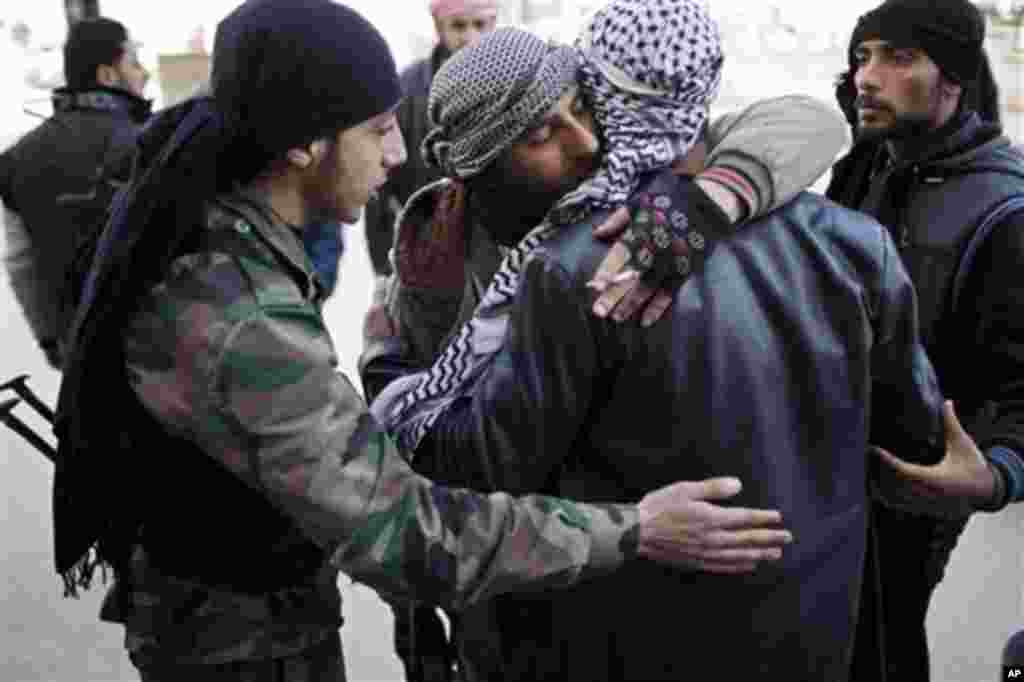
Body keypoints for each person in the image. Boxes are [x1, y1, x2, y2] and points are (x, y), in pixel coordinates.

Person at [52, 1, 793, 679]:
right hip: (246, 643)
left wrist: (717, 191)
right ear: (305, 145)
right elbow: (399, 524)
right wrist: (637, 531)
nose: (401, 153)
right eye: (377, 129)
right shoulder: (259, 314)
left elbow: (790, 122)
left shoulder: (231, 230)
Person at [365, 1, 998, 678]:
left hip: (618, 642)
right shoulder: (850, 241)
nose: (577, 137)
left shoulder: (584, 263)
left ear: (602, 95)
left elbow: (479, 465)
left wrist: (390, 363)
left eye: (577, 105)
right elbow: (912, 445)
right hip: (806, 637)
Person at [825, 1, 1024, 679]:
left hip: (914, 489)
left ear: (955, 78)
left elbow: (1019, 383)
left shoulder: (1003, 210)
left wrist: (997, 475)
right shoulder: (869, 161)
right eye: (862, 57)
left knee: (881, 643)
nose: (866, 77)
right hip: (831, 467)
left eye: (898, 57)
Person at [0, 16, 150, 370]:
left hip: (84, 355)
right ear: (108, 75)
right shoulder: (152, 142)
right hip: (171, 350)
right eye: (133, 62)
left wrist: (50, 339)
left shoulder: (15, 162)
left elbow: (21, 264)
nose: (144, 74)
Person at [363, 0, 499, 283]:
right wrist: (385, 276)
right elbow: (379, 195)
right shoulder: (406, 91)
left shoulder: (516, 86)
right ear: (438, 26)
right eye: (459, 26)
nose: (470, 37)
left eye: (480, 25)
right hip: (424, 260)